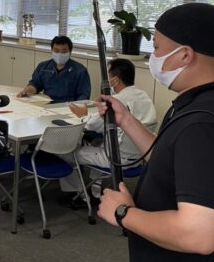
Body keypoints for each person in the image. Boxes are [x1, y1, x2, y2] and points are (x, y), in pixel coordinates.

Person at [96, 3, 214, 262]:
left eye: (157, 48)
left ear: (185, 54)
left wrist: (123, 213)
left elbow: (198, 234)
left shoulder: (206, 126)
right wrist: (126, 119)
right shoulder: (207, 103)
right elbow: (169, 162)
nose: (153, 57)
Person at [59, 58, 157, 202]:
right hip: (139, 158)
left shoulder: (115, 101)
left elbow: (91, 126)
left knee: (66, 152)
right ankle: (96, 186)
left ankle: (80, 194)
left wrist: (84, 115)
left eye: (108, 76)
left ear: (115, 80)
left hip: (116, 159)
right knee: (97, 143)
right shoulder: (144, 96)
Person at [17, 35, 91, 102]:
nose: (60, 54)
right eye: (56, 51)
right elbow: (35, 84)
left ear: (70, 51)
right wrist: (25, 91)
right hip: (46, 104)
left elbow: (84, 96)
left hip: (68, 107)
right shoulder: (43, 66)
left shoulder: (80, 71)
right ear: (51, 50)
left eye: (64, 51)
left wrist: (77, 107)